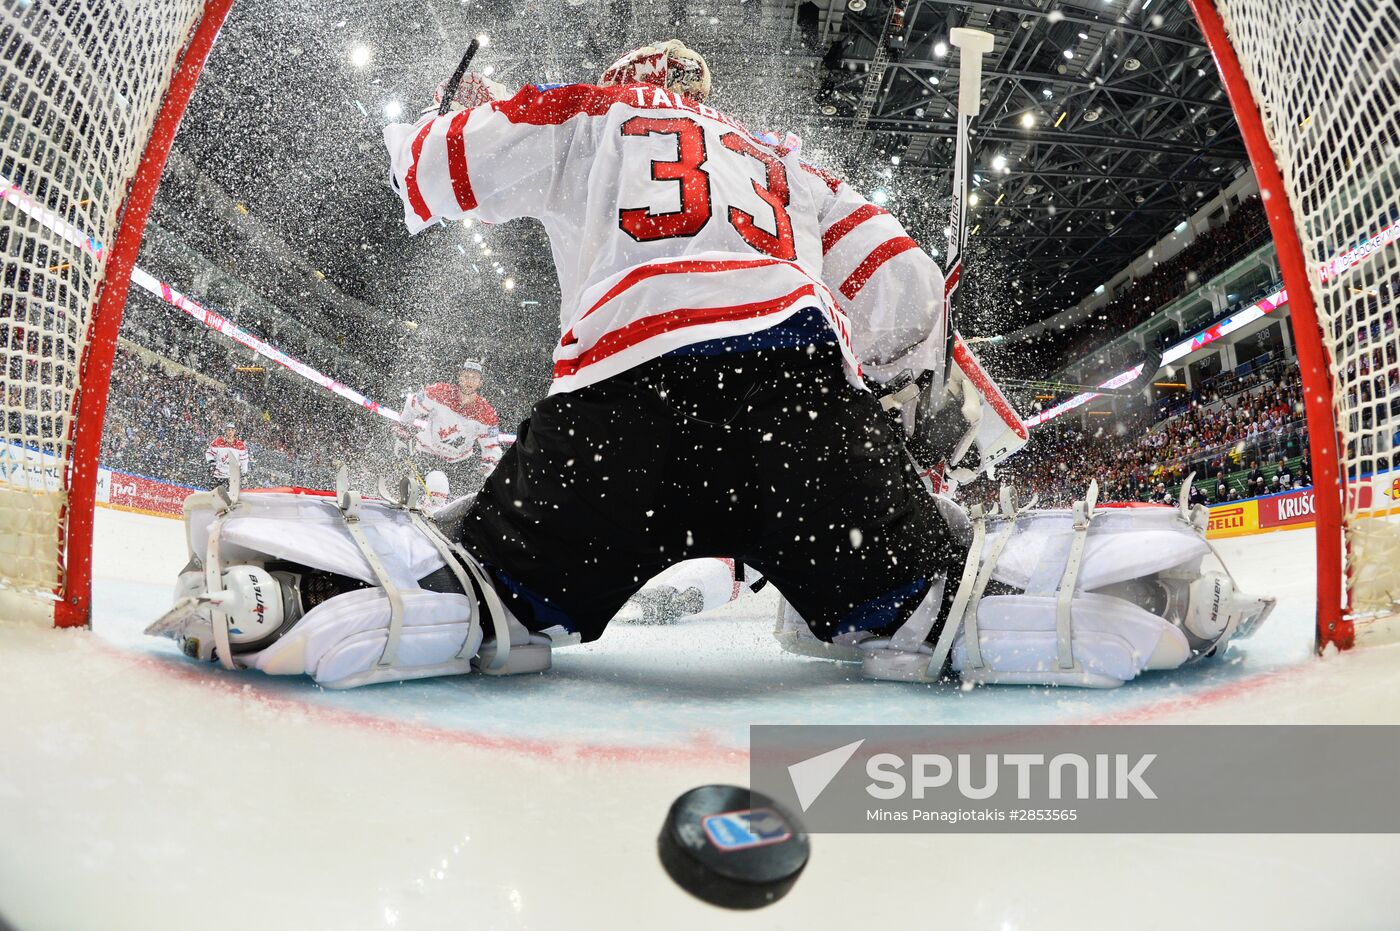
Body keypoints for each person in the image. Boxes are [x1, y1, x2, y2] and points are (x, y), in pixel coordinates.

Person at [147, 40, 1272, 690]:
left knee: (484, 589)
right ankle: (1152, 590)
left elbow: (426, 172)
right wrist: (898, 400)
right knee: (940, 598)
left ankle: (291, 592)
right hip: (792, 418)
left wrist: (442, 121)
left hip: (612, 423)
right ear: (698, 94)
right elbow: (906, 295)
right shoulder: (777, 160)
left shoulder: (583, 112)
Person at [394, 359, 502, 494]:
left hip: (459, 463)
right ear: (459, 377)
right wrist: (402, 432)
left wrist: (489, 463)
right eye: (466, 376)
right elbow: (412, 404)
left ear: (480, 383)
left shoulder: (487, 413)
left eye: (474, 378)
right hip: (427, 453)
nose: (469, 381)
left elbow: (491, 446)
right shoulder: (439, 393)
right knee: (437, 485)